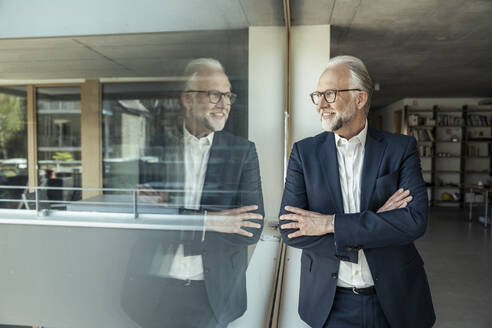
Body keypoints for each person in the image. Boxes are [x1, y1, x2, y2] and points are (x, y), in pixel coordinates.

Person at [279, 55, 435, 328]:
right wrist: (377, 221)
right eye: (317, 95)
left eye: (330, 94)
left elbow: (414, 221)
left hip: (396, 300)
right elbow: (290, 229)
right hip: (330, 304)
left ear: (360, 99)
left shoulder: (401, 149)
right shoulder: (304, 153)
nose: (321, 105)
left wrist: (330, 224)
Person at [122, 58, 264, 328]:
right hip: (155, 293)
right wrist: (211, 220)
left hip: (214, 298)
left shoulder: (242, 152)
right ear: (188, 99)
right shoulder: (157, 148)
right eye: (214, 95)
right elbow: (145, 222)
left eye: (228, 95)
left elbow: (251, 228)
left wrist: (175, 215)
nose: (224, 104)